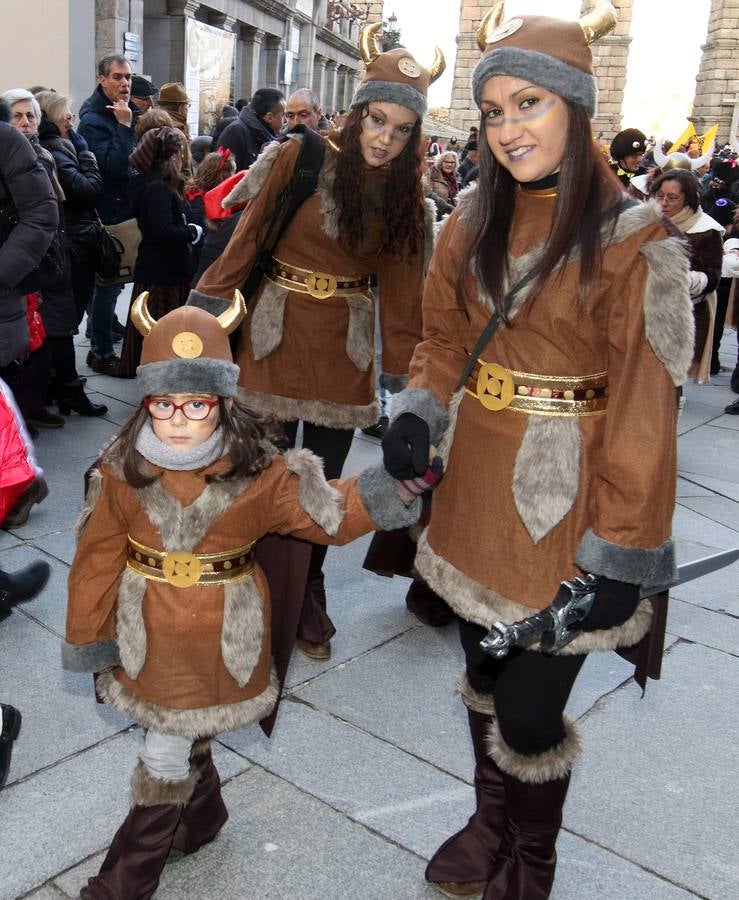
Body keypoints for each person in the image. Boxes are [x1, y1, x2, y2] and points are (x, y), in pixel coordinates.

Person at [380, 5, 694, 898]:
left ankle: (532, 857)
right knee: (482, 666)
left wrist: (622, 554)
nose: (508, 128)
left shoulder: (635, 242)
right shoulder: (471, 215)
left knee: (527, 707)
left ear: (576, 108)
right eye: (492, 112)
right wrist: (419, 406)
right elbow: (441, 339)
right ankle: (489, 826)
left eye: (529, 104)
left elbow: (643, 408)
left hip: (571, 500)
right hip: (475, 481)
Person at [62, 298, 433, 899]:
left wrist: (390, 488)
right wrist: (88, 638)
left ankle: (123, 882)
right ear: (145, 402)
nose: (179, 419)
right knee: (173, 737)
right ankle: (194, 820)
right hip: (148, 635)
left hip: (223, 634)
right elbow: (96, 561)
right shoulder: (118, 473)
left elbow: (327, 513)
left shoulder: (259, 474)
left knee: (168, 744)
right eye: (163, 404)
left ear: (223, 403)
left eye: (197, 405)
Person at [189, 22, 444, 660]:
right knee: (255, 472)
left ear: (414, 135)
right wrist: (198, 318)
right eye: (376, 120)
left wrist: (410, 388)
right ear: (358, 114)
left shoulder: (410, 200)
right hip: (273, 339)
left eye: (401, 128)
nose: (385, 137)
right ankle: (243, 581)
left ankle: (308, 588)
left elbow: (406, 297)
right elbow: (246, 240)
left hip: (344, 354)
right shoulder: (299, 156)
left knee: (322, 482)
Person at [2, 88, 94, 429]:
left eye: (32, 115)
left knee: (45, 334)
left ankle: (36, 405)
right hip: (27, 267)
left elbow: (47, 214)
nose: (26, 122)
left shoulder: (38, 152)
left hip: (44, 262)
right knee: (32, 339)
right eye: (18, 115)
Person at [36, 91, 109, 417]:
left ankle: (61, 385)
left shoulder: (58, 146)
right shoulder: (59, 148)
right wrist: (87, 153)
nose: (72, 119)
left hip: (71, 242)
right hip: (71, 245)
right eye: (66, 114)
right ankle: (65, 389)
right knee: (63, 321)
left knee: (63, 321)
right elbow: (87, 189)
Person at [116, 127, 203, 378]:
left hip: (161, 269)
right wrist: (192, 231)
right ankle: (160, 373)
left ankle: (160, 370)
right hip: (162, 274)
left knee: (158, 328)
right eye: (179, 151)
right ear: (170, 155)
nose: (182, 156)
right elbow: (163, 231)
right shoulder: (157, 188)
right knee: (159, 328)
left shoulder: (155, 183)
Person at [78, 54, 136, 374]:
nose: (124, 83)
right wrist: (125, 127)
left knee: (115, 282)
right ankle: (100, 351)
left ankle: (104, 327)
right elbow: (114, 167)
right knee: (109, 283)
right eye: (117, 77)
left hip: (122, 209)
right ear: (102, 79)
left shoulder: (124, 111)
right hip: (107, 215)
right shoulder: (93, 119)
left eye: (127, 77)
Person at [651, 168, 724, 384]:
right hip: (643, 310)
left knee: (669, 382)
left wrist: (682, 280)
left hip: (684, 315)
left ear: (688, 199)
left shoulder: (706, 230)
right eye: (660, 196)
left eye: (672, 198)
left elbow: (713, 277)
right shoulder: (648, 222)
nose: (663, 203)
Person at [216, 88, 286, 172]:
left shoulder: (269, 136)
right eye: (283, 115)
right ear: (269, 117)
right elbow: (225, 176)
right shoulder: (235, 132)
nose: (286, 120)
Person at [157, 83, 193, 178]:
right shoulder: (177, 134)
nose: (187, 110)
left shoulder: (150, 125)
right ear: (181, 108)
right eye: (187, 105)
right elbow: (185, 171)